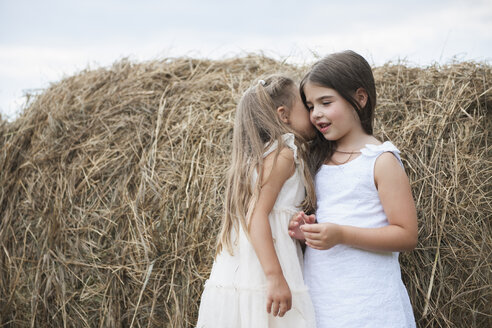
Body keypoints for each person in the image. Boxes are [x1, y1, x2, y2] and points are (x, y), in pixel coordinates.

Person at [288, 50, 418, 327]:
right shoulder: (317, 160)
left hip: (369, 300)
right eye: (310, 106)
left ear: (360, 98)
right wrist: (307, 232)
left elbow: (406, 235)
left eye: (325, 102)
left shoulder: (380, 160)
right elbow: (328, 223)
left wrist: (341, 234)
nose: (316, 114)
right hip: (324, 295)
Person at [196, 75, 317, 327]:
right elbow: (256, 215)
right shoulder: (284, 154)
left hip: (255, 263)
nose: (314, 111)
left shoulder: (268, 155)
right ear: (284, 115)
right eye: (307, 105)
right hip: (267, 267)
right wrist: (274, 277)